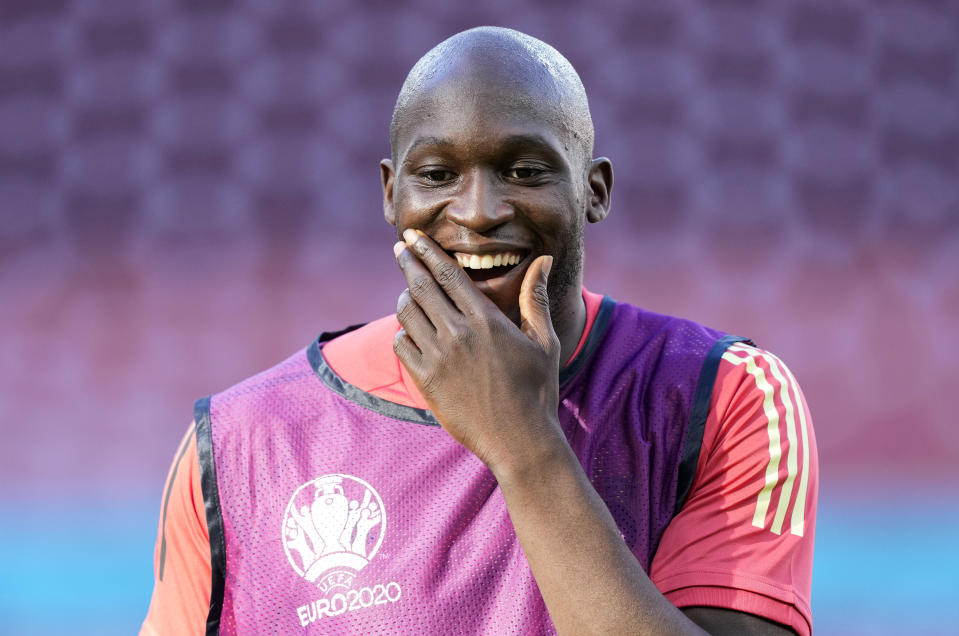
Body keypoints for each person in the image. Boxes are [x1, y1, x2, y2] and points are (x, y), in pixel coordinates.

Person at [141, 27, 817, 636]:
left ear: (594, 190)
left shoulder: (721, 395)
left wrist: (520, 441)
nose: (479, 211)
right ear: (390, 193)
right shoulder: (241, 442)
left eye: (524, 170)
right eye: (437, 175)